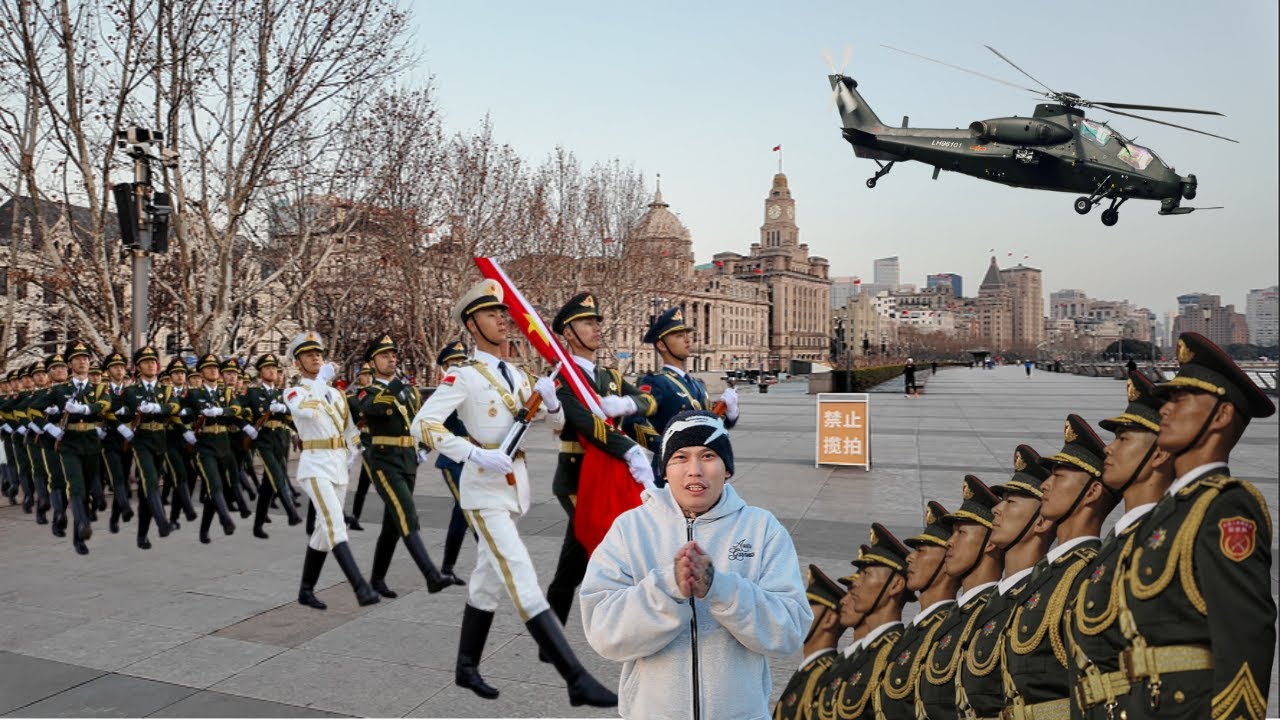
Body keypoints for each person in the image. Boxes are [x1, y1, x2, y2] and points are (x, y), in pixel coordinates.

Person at [413, 279, 616, 707]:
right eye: (492, 314)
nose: (503, 320)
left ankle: (466, 667)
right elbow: (424, 425)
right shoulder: (464, 375)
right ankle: (575, 677)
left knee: (487, 578)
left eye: (504, 313)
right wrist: (472, 454)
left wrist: (552, 402)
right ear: (472, 323)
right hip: (483, 491)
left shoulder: (521, 376)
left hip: (515, 488)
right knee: (520, 571)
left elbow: (558, 426)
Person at [581, 410, 810, 719]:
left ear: (727, 469)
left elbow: (791, 630)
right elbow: (603, 631)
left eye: (708, 455)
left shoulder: (761, 529)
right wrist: (667, 590)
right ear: (664, 470)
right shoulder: (630, 529)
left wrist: (721, 588)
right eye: (680, 457)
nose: (695, 470)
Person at [1115, 332, 1275, 719]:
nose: (1165, 411)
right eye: (1167, 399)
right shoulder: (1168, 512)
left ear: (1221, 416)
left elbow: (1245, 636)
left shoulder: (1226, 504)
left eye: (1180, 399)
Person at [545, 291, 657, 634]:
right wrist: (629, 449)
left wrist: (626, 404)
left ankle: (550, 636)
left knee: (573, 564)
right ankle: (632, 627)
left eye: (596, 322)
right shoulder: (562, 379)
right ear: (568, 332)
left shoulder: (609, 376)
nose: (595, 328)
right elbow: (587, 426)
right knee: (610, 552)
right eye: (586, 322)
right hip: (579, 481)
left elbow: (648, 402)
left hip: (610, 478)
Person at [1066, 371, 1174, 719]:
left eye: (1123, 439)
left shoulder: (1169, 540)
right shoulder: (1115, 545)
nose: (1108, 448)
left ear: (1158, 456)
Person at [999, 416, 1112, 718]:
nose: (1045, 485)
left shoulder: (1088, 574)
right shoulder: (1048, 574)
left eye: (1059, 477)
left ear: (1092, 492)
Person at [284, 330, 381, 610]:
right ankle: (360, 587)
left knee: (324, 532)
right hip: (314, 465)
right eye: (308, 355)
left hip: (338, 465)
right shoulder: (295, 391)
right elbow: (307, 412)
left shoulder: (337, 394)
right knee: (335, 524)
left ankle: (305, 590)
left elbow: (349, 428)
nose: (316, 357)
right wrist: (321, 381)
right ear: (297, 363)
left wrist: (354, 452)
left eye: (318, 353)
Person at [957, 444, 1054, 719]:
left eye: (1010, 502)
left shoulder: (1048, 596)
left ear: (1041, 522)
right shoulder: (990, 603)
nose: (996, 510)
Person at [357, 333, 449, 598]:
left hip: (408, 459)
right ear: (373, 363)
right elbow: (373, 408)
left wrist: (423, 448)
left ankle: (376, 580)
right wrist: (397, 386)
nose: (392, 358)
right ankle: (431, 575)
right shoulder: (369, 390)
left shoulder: (408, 390)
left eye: (394, 354)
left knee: (392, 524)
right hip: (384, 461)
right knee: (407, 513)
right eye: (385, 355)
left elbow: (420, 421)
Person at [917, 475, 1003, 720]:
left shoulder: (996, 612)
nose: (950, 543)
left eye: (961, 533)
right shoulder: (952, 618)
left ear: (989, 543)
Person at [808, 526, 909, 720]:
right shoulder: (862, 653)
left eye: (866, 574)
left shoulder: (895, 654)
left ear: (895, 585)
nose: (854, 584)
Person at [876, 501, 960, 720]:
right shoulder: (917, 630)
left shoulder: (947, 631)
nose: (910, 557)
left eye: (921, 550)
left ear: (947, 560)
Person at [625, 307, 739, 461]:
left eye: (687, 335)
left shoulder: (698, 384)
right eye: (679, 336)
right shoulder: (656, 382)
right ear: (662, 345)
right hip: (669, 472)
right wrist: (666, 447)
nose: (687, 340)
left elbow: (709, 427)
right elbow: (631, 421)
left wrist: (730, 414)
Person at [46, 342, 113, 554]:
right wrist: (49, 424)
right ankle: (81, 529)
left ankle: (80, 526)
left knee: (90, 491)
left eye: (85, 358)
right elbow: (32, 410)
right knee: (76, 486)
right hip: (69, 443)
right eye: (77, 359)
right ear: (70, 364)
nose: (83, 361)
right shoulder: (59, 390)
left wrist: (85, 408)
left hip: (91, 443)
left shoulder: (99, 388)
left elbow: (105, 405)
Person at [115, 345, 177, 549]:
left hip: (160, 438)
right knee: (150, 480)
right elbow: (114, 412)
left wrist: (159, 407)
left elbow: (176, 407)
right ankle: (163, 523)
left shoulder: (165, 389)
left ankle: (142, 535)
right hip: (140, 440)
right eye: (146, 362)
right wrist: (124, 428)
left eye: (153, 361)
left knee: (146, 491)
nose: (151, 365)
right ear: (139, 367)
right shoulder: (130, 391)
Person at [772, 565, 851, 720]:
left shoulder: (827, 676)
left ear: (829, 620)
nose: (800, 613)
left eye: (808, 608)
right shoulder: (810, 669)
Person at [181, 353, 242, 543]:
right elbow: (178, 416)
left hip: (223, 444)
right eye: (209, 368)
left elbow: (237, 410)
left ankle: (204, 530)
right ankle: (226, 520)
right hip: (204, 446)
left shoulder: (226, 393)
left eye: (216, 367)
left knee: (215, 491)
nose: (214, 370)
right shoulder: (193, 394)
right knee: (214, 484)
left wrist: (221, 411)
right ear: (201, 373)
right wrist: (186, 431)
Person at [241, 353, 302, 538]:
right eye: (267, 368)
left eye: (274, 369)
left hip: (280, 440)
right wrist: (248, 428)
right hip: (264, 439)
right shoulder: (252, 393)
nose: (272, 371)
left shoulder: (281, 394)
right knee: (277, 474)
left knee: (269, 485)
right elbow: (240, 413)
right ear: (260, 372)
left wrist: (286, 410)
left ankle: (257, 526)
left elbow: (293, 418)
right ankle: (292, 513)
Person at [434, 340, 474, 586]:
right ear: (445, 367)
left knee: (461, 514)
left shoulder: (471, 387)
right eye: (454, 363)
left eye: (462, 362)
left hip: (473, 456)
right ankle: (494, 563)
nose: (459, 366)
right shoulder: (445, 391)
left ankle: (447, 568)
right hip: (452, 459)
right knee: (470, 506)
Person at [346, 362, 374, 531]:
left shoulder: (378, 395)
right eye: (365, 374)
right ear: (359, 377)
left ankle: (354, 518)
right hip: (361, 440)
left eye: (370, 374)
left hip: (377, 441)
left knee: (365, 482)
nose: (369, 377)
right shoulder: (352, 400)